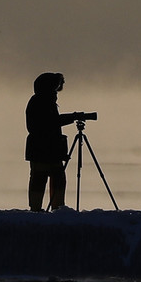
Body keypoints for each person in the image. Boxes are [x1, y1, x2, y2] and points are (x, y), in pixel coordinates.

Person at [24, 72, 96, 212]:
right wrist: (72, 117)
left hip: (50, 150)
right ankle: (37, 209)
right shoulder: (40, 101)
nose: (57, 89)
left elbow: (51, 122)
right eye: (56, 86)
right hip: (42, 150)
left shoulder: (45, 101)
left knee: (57, 179)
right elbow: (50, 123)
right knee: (40, 180)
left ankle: (56, 207)